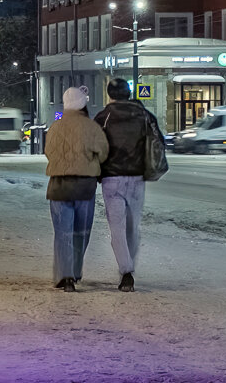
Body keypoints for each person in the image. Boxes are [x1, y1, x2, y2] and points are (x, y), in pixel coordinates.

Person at [44, 86, 108, 292]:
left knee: (63, 232)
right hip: (84, 186)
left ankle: (65, 276)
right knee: (81, 232)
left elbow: (49, 152)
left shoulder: (55, 127)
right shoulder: (91, 127)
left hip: (59, 185)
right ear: (83, 103)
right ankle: (75, 272)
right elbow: (104, 152)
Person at [94, 78, 152, 292]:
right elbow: (157, 141)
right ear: (128, 93)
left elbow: (95, 146)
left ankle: (126, 272)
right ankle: (129, 267)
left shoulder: (103, 117)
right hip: (137, 177)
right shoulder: (143, 114)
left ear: (110, 95)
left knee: (117, 227)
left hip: (112, 179)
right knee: (133, 226)